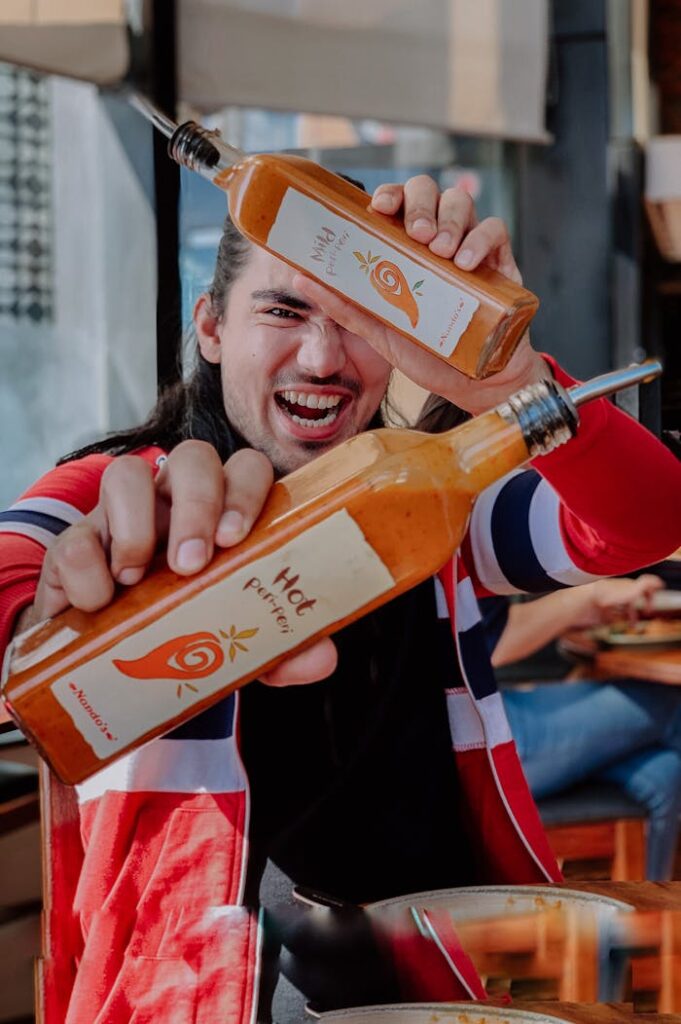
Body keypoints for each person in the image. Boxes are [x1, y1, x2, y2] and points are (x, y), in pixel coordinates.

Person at [1, 175, 680, 1022]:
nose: (323, 359)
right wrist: (60, 611)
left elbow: (642, 522)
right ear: (210, 327)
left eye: (360, 321)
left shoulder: (428, 503)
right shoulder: (130, 488)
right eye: (282, 313)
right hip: (202, 990)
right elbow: (20, 581)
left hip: (440, 974)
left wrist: (506, 380)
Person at [486, 574, 681, 881]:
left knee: (666, 771)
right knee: (670, 701)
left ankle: (649, 918)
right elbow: (490, 641)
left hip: (498, 712)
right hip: (489, 738)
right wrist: (590, 596)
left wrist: (581, 608)